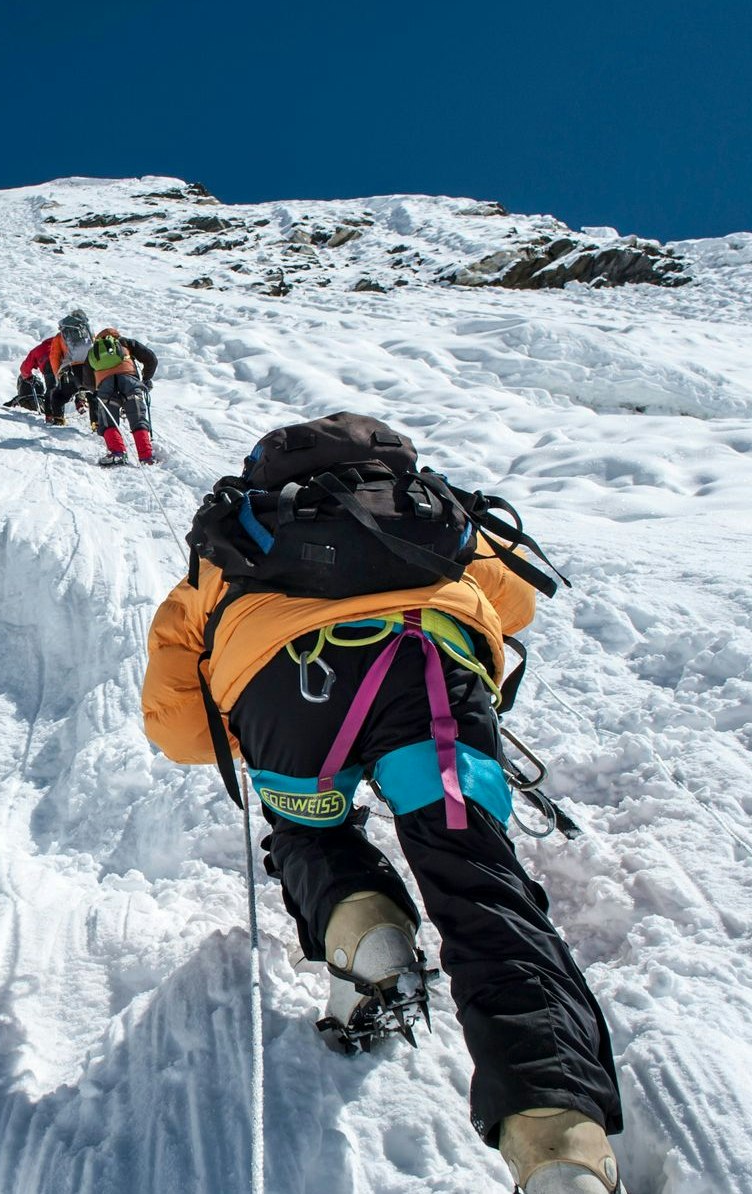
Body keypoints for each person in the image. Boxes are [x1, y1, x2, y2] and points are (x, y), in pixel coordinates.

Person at [141, 412, 623, 1194]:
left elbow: (175, 721)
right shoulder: (425, 509)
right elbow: (516, 601)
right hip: (431, 669)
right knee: (477, 879)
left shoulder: (233, 541)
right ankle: (557, 1133)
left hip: (288, 691)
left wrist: (248, 736)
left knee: (312, 834)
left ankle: (365, 934)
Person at [82, 328, 159, 465]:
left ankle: (117, 453)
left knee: (108, 422)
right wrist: (146, 379)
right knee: (138, 418)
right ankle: (146, 457)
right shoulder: (125, 342)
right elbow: (151, 359)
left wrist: (98, 388)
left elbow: (87, 380)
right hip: (130, 382)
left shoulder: (93, 351)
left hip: (106, 386)